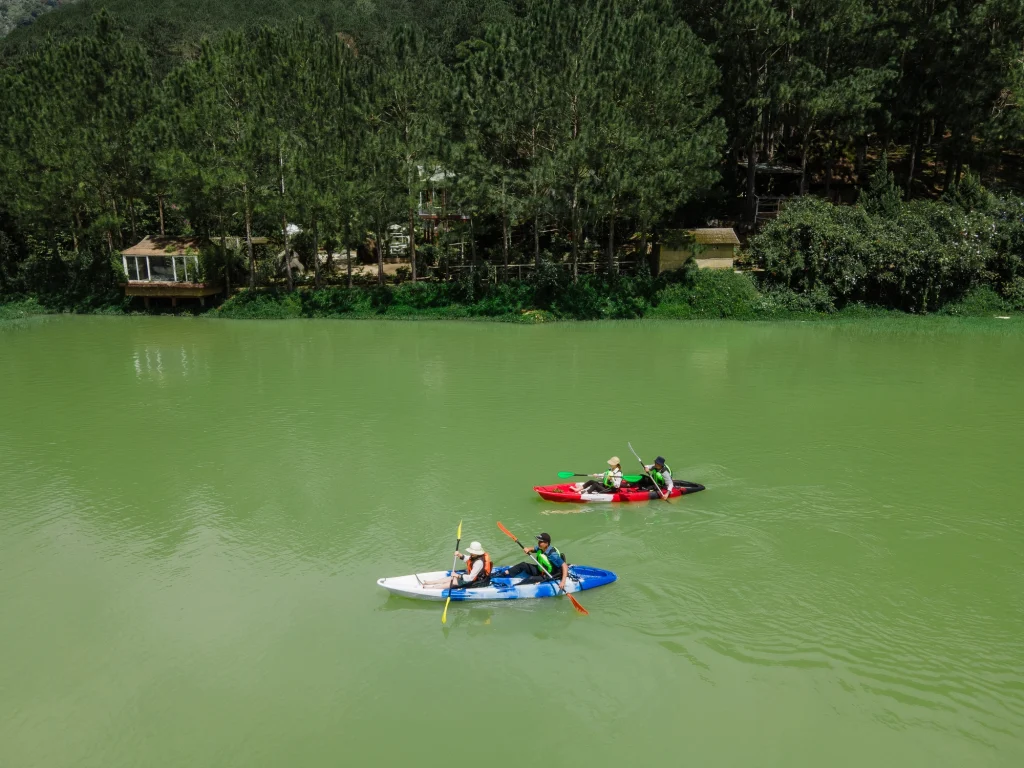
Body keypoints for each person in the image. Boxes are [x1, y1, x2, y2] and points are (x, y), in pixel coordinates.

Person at [493, 532, 567, 592]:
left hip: (549, 575)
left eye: (541, 541)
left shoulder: (552, 554)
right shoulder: (541, 547)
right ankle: (504, 574)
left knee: (531, 578)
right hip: (540, 570)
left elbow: (564, 566)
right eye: (538, 541)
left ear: (546, 543)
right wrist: (528, 549)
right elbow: (533, 549)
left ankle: (514, 587)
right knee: (523, 565)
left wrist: (563, 582)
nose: (539, 543)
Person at [422, 541, 492, 590]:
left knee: (455, 581)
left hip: (479, 581)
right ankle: (430, 582)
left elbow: (471, 578)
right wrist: (460, 555)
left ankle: (432, 588)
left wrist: (458, 576)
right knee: (452, 577)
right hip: (474, 577)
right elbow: (468, 559)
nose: (471, 553)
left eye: (472, 552)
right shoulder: (475, 556)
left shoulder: (479, 562)